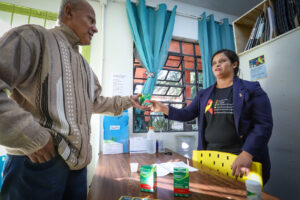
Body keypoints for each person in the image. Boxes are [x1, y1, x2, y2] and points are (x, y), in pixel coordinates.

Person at [0, 0, 147, 199]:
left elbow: (95, 103)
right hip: (38, 161)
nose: (95, 28)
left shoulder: (85, 66)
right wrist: (33, 137)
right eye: (91, 20)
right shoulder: (33, 37)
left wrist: (129, 101)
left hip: (78, 167)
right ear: (68, 12)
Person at [148, 49, 273, 185]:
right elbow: (187, 114)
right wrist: (162, 108)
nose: (217, 65)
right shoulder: (204, 94)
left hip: (240, 158)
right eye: (214, 63)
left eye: (222, 61)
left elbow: (263, 125)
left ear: (234, 64)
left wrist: (247, 153)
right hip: (210, 157)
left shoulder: (252, 89)